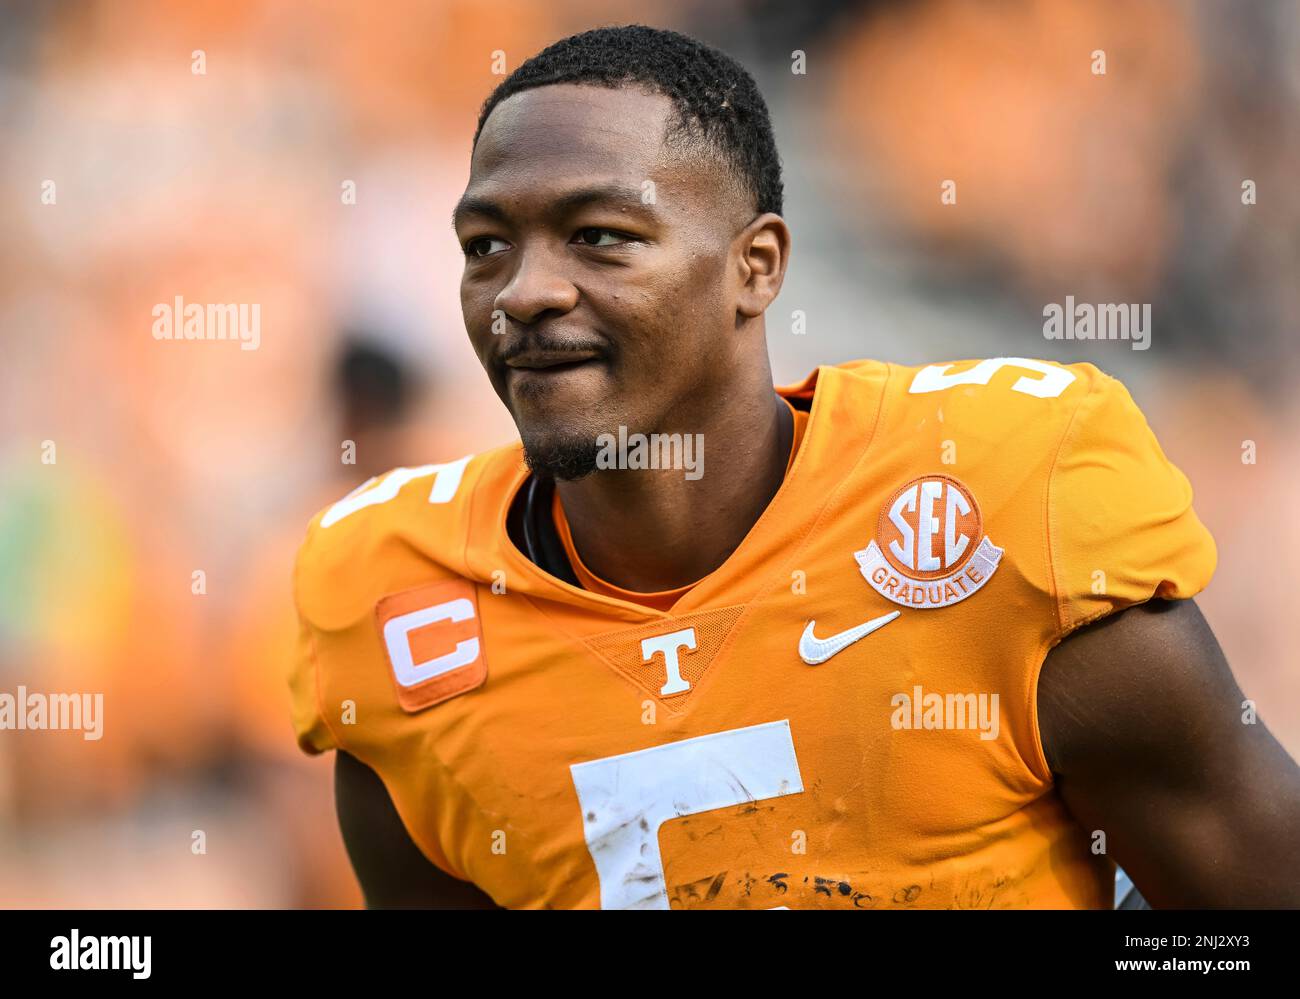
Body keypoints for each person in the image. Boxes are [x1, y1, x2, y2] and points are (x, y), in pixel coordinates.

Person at [289, 25, 1300, 909]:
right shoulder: (393, 595)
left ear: (755, 265)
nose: (524, 292)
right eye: (485, 246)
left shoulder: (998, 498)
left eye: (600, 237)